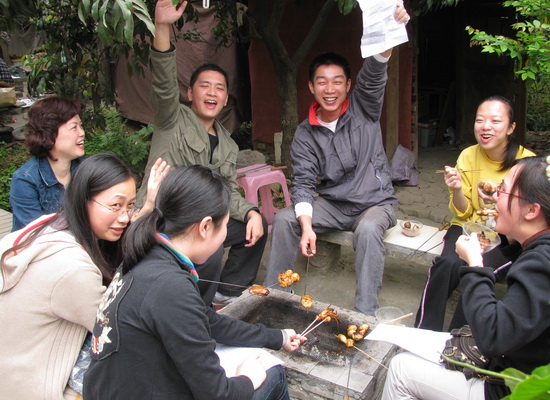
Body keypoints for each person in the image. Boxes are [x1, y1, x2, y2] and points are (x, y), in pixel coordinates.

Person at [84, 164, 305, 400]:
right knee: (272, 375)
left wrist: (277, 337)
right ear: (205, 226)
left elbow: (206, 320)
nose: (226, 234)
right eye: (225, 225)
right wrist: (248, 377)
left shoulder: (147, 254)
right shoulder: (169, 286)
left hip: (118, 396)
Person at [264, 2, 410, 316]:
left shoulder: (364, 107)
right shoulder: (305, 133)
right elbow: (303, 184)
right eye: (322, 81)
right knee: (285, 218)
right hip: (333, 206)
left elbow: (376, 70)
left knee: (368, 230)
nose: (329, 89)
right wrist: (306, 226)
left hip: (374, 203)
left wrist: (390, 26)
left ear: (348, 85)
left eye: (337, 81)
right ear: (311, 86)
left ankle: (364, 314)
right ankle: (275, 298)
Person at [379, 155, 550, 400]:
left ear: (531, 210)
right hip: (519, 367)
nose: (494, 197)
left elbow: (493, 336)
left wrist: (474, 264)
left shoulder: (541, 263)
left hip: (515, 395)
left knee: (402, 368)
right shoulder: (539, 249)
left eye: (503, 190)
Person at [0, 153, 167, 400]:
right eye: (115, 206)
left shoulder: (51, 224)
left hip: (12, 371)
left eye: (130, 206)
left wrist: (146, 207)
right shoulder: (72, 268)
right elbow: (119, 330)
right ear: (83, 200)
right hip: (32, 398)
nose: (125, 217)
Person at [136, 0, 267, 308]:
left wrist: (252, 212)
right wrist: (162, 26)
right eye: (204, 86)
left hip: (202, 221)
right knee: (207, 243)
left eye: (219, 88)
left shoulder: (228, 144)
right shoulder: (172, 119)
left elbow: (228, 190)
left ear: (225, 99)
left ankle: (225, 296)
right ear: (190, 93)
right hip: (164, 217)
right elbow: (163, 81)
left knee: (254, 227)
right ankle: (194, 308)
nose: (212, 92)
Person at [415, 96, 536, 331]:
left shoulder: (527, 164)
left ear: (511, 128)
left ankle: (460, 340)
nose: (485, 127)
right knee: (446, 264)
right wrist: (457, 188)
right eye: (480, 120)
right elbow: (464, 212)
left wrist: (499, 203)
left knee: (480, 270)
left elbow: (528, 217)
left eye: (495, 121)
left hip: (507, 236)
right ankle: (423, 332)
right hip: (468, 226)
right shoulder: (468, 155)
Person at [9, 96, 85, 231]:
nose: (82, 133)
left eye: (81, 126)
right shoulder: (25, 180)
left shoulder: (87, 168)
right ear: (49, 134)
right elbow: (36, 233)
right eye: (74, 127)